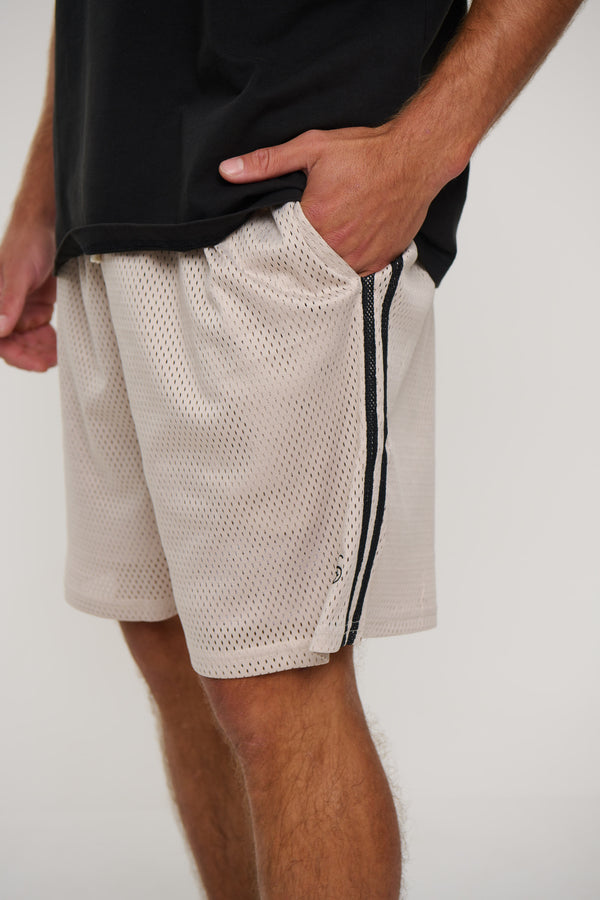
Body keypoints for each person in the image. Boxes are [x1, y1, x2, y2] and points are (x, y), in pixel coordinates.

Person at [0, 0, 586, 896]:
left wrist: (419, 150)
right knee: (169, 645)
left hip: (281, 180)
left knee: (275, 678)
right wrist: (44, 191)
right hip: (107, 192)